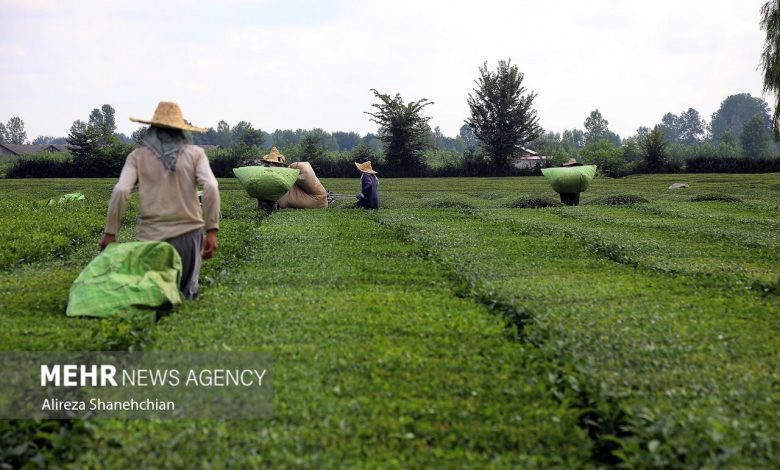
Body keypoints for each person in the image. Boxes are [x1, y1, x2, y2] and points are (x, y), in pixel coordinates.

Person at [99, 101, 221, 300]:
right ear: (181, 131)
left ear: (152, 130)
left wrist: (110, 233)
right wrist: (212, 230)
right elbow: (211, 186)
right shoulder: (195, 154)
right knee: (185, 295)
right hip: (188, 236)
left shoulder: (137, 157)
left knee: (153, 296)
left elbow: (121, 190)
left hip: (150, 239)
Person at [257, 147, 328, 210]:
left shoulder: (284, 173)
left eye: (273, 164)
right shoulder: (267, 173)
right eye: (270, 164)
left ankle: (271, 206)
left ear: (278, 164)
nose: (271, 166)